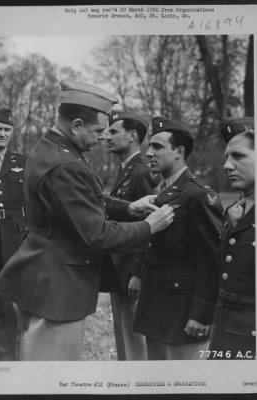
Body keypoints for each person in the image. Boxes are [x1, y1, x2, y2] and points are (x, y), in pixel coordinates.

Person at [0, 81, 174, 361]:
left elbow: (79, 201)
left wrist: (128, 208)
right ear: (76, 125)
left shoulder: (49, 148)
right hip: (59, 289)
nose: (102, 137)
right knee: (54, 378)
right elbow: (97, 234)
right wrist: (150, 226)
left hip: (42, 274)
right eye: (98, 130)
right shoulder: (67, 165)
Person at [133, 116, 223, 360]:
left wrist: (202, 313)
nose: (149, 153)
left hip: (182, 314)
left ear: (179, 152)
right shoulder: (160, 192)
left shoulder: (198, 195)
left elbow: (212, 258)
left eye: (158, 147)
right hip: (155, 308)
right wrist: (138, 273)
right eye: (149, 146)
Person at [103, 111, 157, 360]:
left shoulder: (142, 171)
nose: (106, 136)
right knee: (125, 335)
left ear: (133, 136)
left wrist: (138, 271)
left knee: (136, 340)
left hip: (131, 270)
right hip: (119, 267)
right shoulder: (126, 169)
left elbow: (151, 226)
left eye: (113, 131)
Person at [209, 117, 256, 360]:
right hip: (226, 329)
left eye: (238, 156)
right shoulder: (235, 210)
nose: (227, 166)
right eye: (226, 157)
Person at [0, 108, 27, 361]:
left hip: (13, 244)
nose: (2, 134)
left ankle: (6, 363)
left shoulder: (22, 163)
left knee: (7, 306)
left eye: (6, 129)